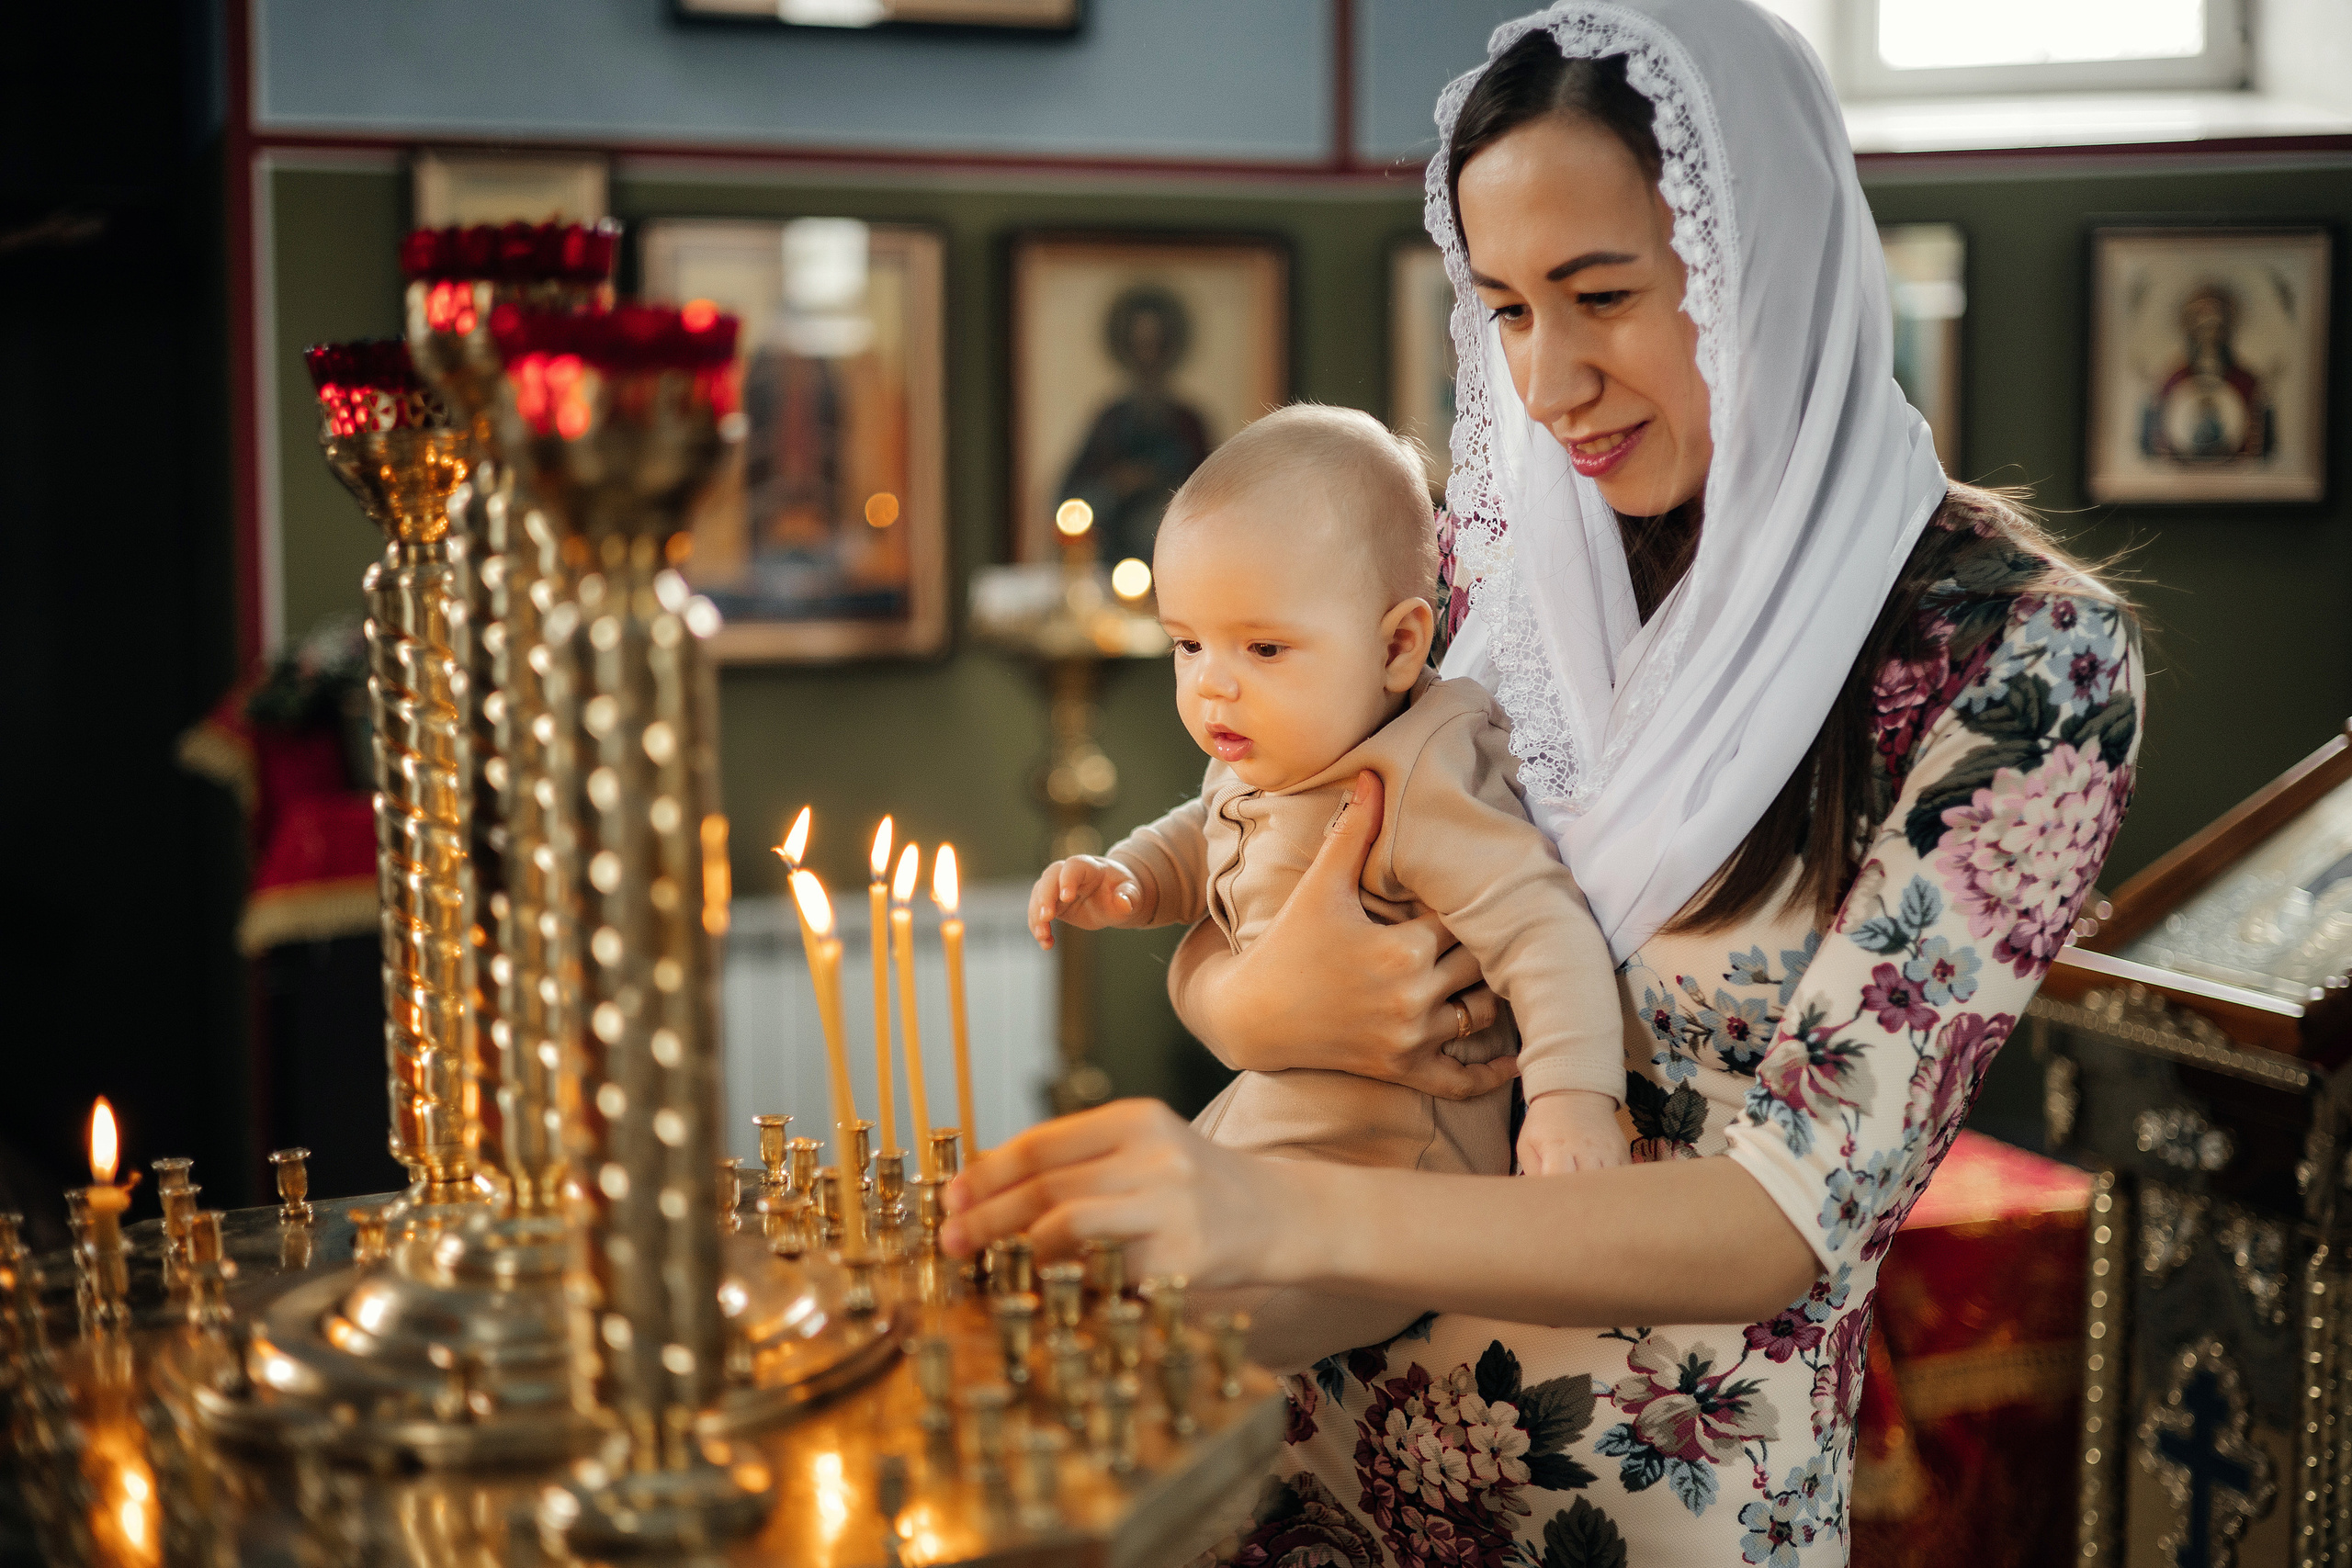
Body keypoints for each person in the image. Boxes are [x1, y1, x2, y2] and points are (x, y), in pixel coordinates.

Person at [946, 3, 2143, 1561]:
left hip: (1640, 1518)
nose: (1554, 378)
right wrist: (1242, 1011)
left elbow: (1783, 1216)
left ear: (1755, 260)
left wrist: (1276, 1208)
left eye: (1602, 295)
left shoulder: (2014, 658)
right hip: (1301, 1471)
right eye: (1506, 308)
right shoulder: (1477, 561)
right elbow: (1267, 872)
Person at [1027, 405, 1628, 1361]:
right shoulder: (1268, 749)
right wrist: (1131, 879)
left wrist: (1570, 1098)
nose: (1213, 685)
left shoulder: (1421, 783)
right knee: (1116, 1247)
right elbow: (1203, 832)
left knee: (1195, 1325)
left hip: (1394, 1168)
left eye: (1261, 648)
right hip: (1279, 1115)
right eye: (1188, 645)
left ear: (1396, 647)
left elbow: (1541, 930)